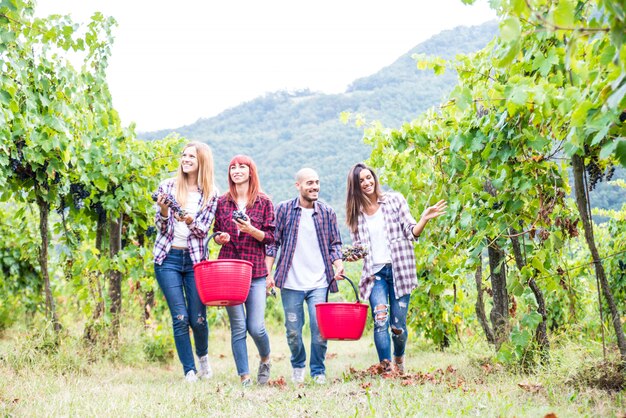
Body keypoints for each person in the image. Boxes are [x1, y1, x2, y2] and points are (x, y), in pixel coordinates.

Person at [344, 162, 446, 373]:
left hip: (400, 270)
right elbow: (359, 249)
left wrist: (424, 219)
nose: (366, 182)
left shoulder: (394, 200)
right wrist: (350, 256)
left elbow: (411, 232)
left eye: (368, 177)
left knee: (397, 327)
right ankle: (386, 369)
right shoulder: (356, 214)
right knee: (380, 320)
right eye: (361, 180)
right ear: (355, 186)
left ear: (374, 178)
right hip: (375, 275)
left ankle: (399, 361)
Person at [265, 168, 345, 385]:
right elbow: (273, 243)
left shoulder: (327, 212)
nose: (315, 186)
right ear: (298, 186)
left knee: (320, 328)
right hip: (291, 283)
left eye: (317, 182)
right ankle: (298, 365)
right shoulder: (282, 210)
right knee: (293, 330)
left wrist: (338, 266)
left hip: (320, 282)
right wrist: (268, 273)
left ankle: (318, 371)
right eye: (309, 182)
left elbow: (335, 244)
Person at [153, 141, 218, 383]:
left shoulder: (210, 194)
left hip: (195, 262)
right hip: (167, 258)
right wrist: (164, 211)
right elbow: (160, 228)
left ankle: (202, 358)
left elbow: (202, 231)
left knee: (198, 319)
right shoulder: (167, 186)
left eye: (192, 156)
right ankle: (189, 371)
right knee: (180, 317)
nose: (186, 159)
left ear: (202, 161)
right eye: (184, 155)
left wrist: (189, 219)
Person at [212, 155, 275, 387]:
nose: (236, 171)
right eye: (232, 167)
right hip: (229, 270)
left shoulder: (264, 202)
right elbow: (217, 233)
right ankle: (245, 377)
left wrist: (250, 230)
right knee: (238, 326)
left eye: (242, 167)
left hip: (256, 271)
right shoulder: (222, 202)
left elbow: (270, 237)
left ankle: (266, 358)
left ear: (251, 171)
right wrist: (221, 238)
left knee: (256, 327)